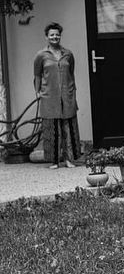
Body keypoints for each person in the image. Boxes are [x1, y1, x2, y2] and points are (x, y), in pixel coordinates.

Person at [33, 22, 81, 169]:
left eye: (57, 34)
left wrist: (73, 92)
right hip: (49, 96)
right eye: (52, 35)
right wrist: (38, 92)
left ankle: (69, 159)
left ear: (60, 36)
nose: (55, 37)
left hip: (67, 95)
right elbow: (37, 75)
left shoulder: (68, 54)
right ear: (46, 37)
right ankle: (54, 161)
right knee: (52, 129)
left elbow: (71, 73)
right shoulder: (41, 55)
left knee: (68, 128)